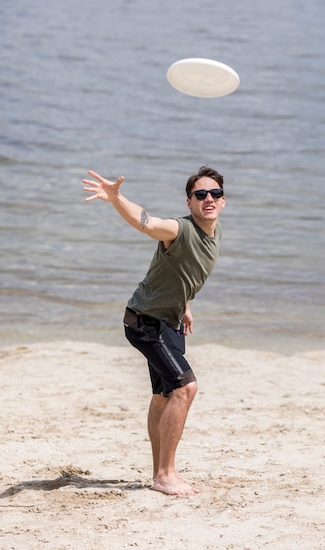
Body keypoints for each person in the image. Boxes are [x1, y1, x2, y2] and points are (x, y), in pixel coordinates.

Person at [82, 166, 226, 495]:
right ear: (189, 202)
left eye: (214, 194)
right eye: (200, 194)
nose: (208, 199)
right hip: (145, 321)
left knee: (163, 395)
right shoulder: (179, 229)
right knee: (185, 389)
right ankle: (165, 474)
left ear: (223, 201)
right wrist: (117, 199)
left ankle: (160, 472)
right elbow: (147, 223)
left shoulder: (214, 233)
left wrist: (185, 305)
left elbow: (182, 273)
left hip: (169, 320)